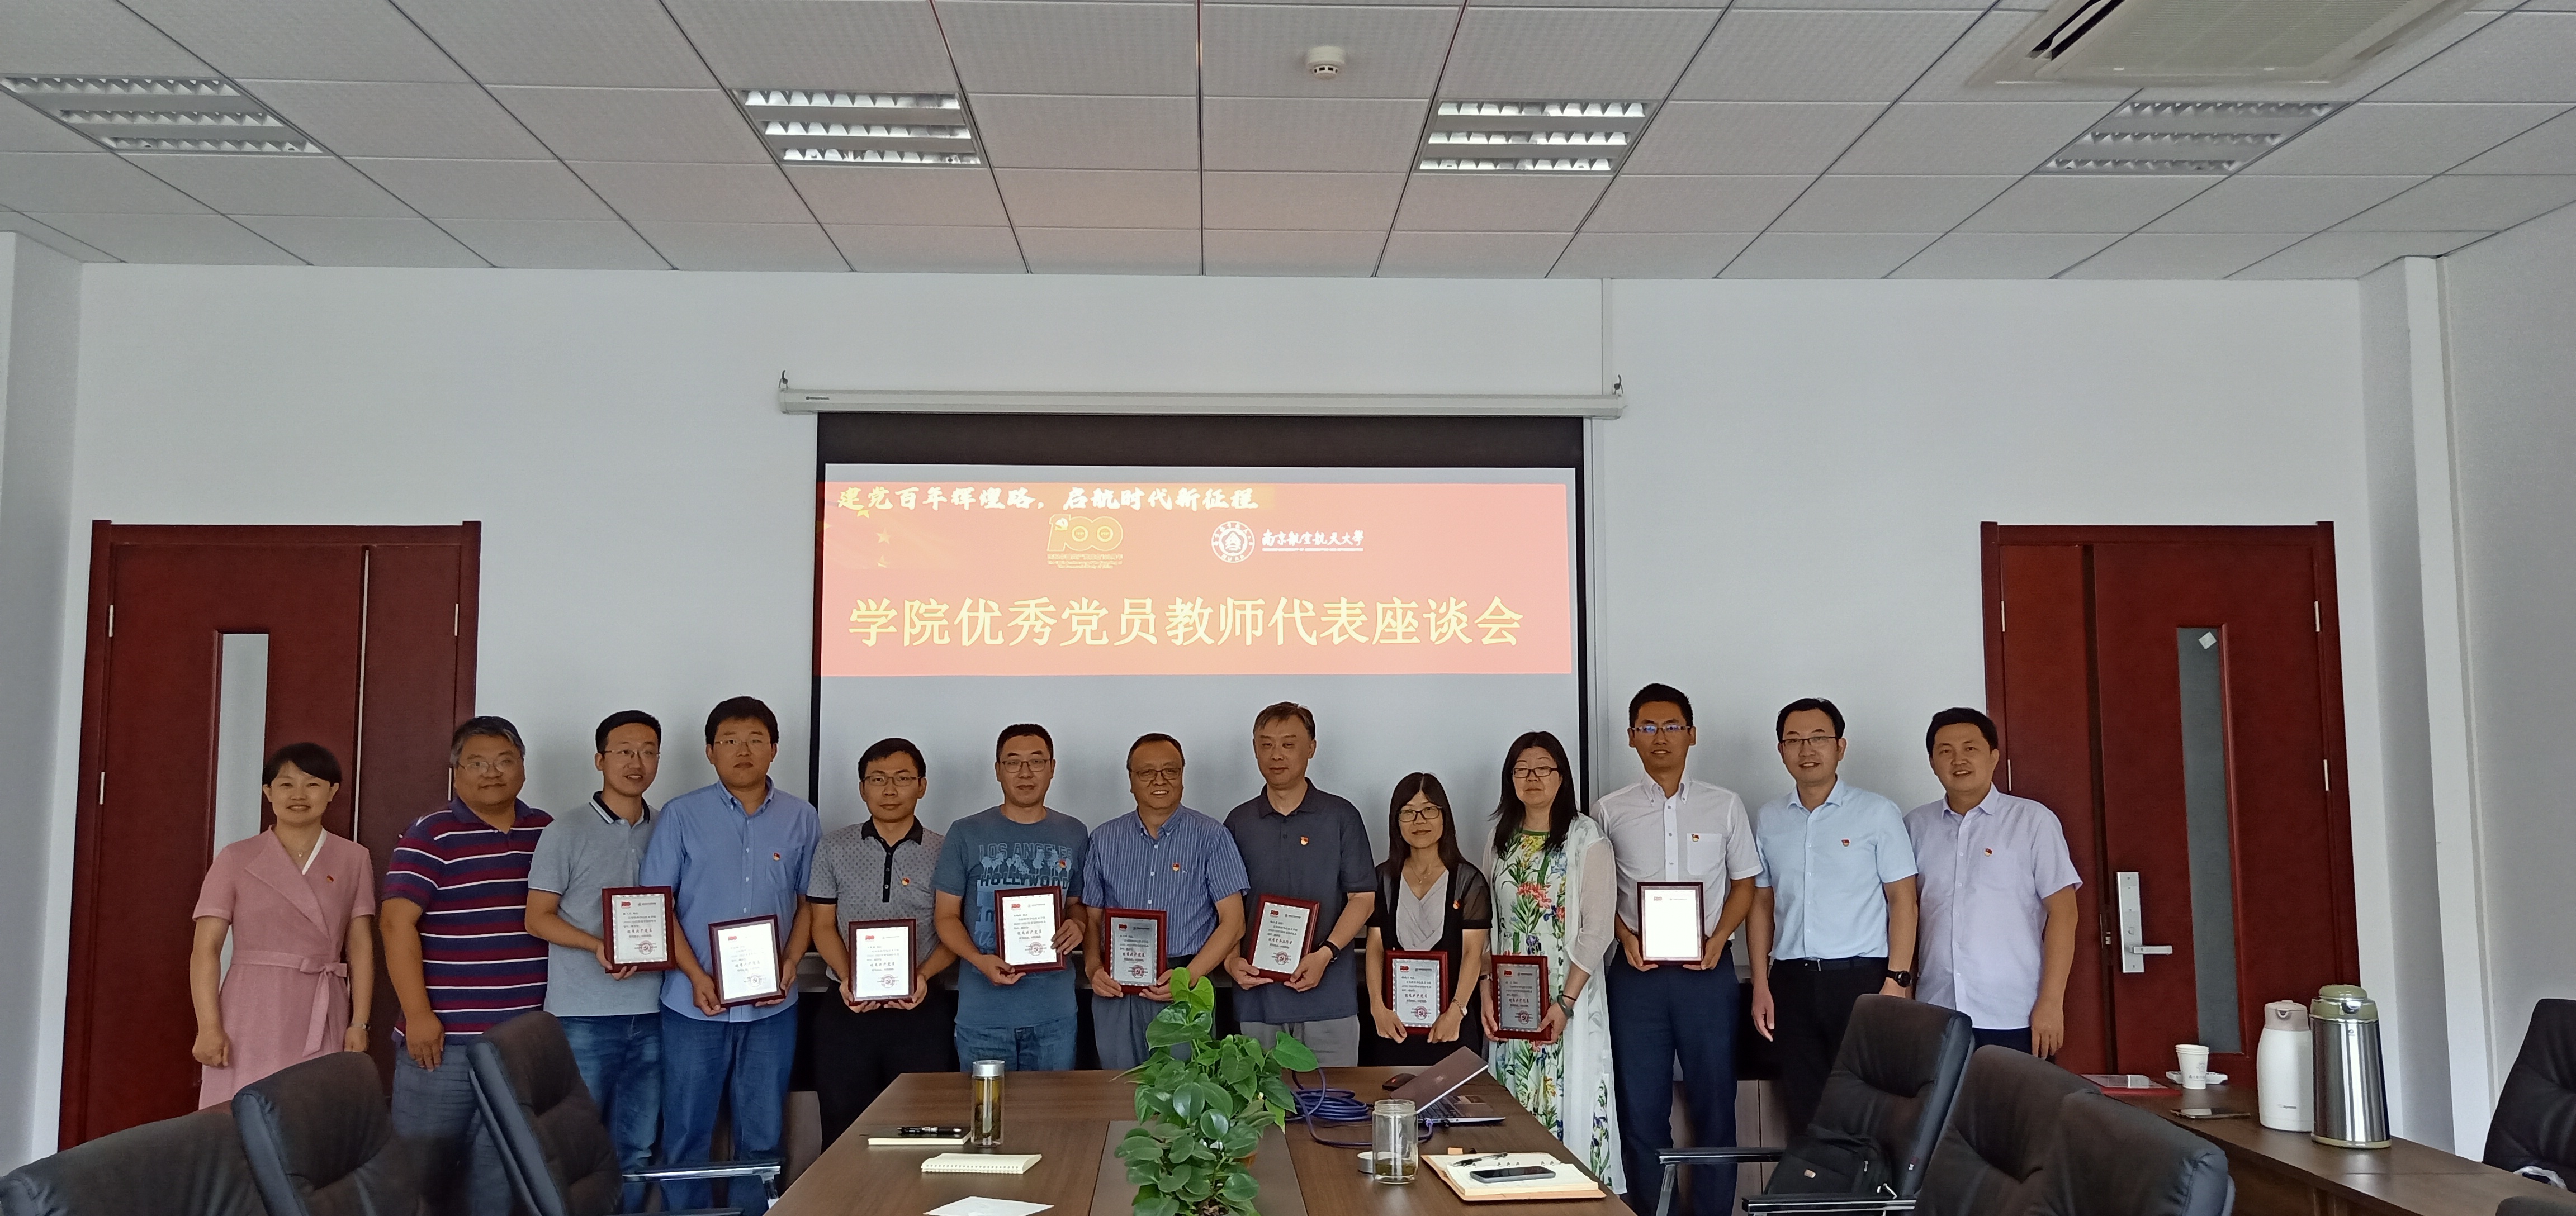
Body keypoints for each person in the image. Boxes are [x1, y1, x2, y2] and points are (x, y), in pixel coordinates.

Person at [643, 697, 819, 1215]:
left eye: (756, 740)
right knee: (686, 1131)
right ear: (710, 751)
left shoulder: (801, 817)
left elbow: (809, 903)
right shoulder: (681, 815)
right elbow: (658, 905)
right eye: (730, 741)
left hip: (773, 1007)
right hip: (692, 1003)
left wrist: (791, 962)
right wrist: (695, 975)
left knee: (762, 1135)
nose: (744, 750)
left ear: (774, 749)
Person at [1594, 685, 1760, 1216]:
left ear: (1692, 734)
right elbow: (1595, 892)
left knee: (1716, 1106)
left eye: (1671, 727)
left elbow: (1745, 884)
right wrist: (1624, 936)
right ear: (1631, 738)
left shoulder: (1724, 805)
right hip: (1636, 978)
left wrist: (1718, 939)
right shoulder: (1609, 811)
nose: (1659, 737)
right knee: (1641, 1110)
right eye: (1647, 727)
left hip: (1707, 976)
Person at [382, 716, 553, 1216]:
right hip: (444, 1044)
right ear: (456, 772)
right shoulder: (431, 834)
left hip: (520, 1043)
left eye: (504, 761)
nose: (492, 773)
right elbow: (395, 924)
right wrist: (419, 1015)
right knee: (420, 1178)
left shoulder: (546, 831)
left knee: (500, 1177)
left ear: (523, 768)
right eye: (477, 763)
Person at [1747, 697, 1920, 1136]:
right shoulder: (1769, 818)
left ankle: (1866, 1185)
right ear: (1781, 750)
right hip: (1792, 982)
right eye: (1794, 740)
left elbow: (1903, 900)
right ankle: (1815, 1182)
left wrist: (1896, 981)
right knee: (1806, 1107)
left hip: (1862, 981)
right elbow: (1761, 904)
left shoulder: (1877, 813)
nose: (1807, 749)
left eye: (1819, 738)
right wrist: (1761, 983)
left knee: (1867, 1105)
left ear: (1840, 747)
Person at [524, 710, 664, 1210]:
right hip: (582, 1017)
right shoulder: (565, 830)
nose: (636, 762)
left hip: (654, 1012)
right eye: (624, 751)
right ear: (600, 760)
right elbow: (537, 918)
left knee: (637, 1149)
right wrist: (595, 946)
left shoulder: (668, 829)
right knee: (575, 1150)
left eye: (648, 751)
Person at [190, 742, 377, 1108]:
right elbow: (206, 949)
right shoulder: (236, 857)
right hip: (250, 1006)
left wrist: (359, 1022)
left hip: (323, 1005)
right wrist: (209, 1026)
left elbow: (360, 946)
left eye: (312, 784)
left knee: (313, 1112)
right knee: (240, 1112)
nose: (299, 795)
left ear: (332, 792)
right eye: (286, 784)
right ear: (268, 792)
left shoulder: (354, 858)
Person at [1478, 732, 1621, 1191]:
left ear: (1562, 777)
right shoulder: (1500, 838)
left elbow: (1597, 928)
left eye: (1543, 768)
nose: (1532, 778)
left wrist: (1566, 1003)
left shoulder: (1586, 837)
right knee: (1513, 1112)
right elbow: (1486, 922)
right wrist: (1485, 989)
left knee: (1569, 1105)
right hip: (1511, 1007)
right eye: (1521, 770)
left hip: (1566, 1002)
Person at [1905, 707, 2081, 1057]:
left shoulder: (2033, 821)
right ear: (1932, 763)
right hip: (1935, 1010)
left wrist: (2051, 1002)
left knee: (2014, 1096)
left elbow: (2064, 914)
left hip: (2014, 1012)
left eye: (1970, 748)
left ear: (1994, 757)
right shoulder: (1915, 826)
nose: (1958, 760)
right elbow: (1906, 913)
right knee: (1937, 1096)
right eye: (1945, 751)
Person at [808, 738, 958, 1148]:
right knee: (842, 1129)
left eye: (902, 778)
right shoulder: (833, 847)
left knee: (923, 1130)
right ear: (862, 788)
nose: (889, 790)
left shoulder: (946, 850)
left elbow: (954, 930)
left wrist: (923, 976)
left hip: (922, 1007)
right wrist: (849, 978)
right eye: (877, 779)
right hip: (847, 1008)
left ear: (922, 786)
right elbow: (822, 925)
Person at [1082, 734, 1249, 1069]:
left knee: (1187, 1091)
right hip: (1117, 987)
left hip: (1186, 980)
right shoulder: (1103, 839)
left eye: (1170, 771)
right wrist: (1092, 968)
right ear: (1131, 780)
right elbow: (1092, 919)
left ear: (1183, 776)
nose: (1160, 780)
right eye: (1147, 772)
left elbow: (1234, 923)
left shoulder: (1213, 837)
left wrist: (1188, 977)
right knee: (1118, 1088)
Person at [1222, 703, 1376, 1067]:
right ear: (1255, 749)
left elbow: (1363, 899)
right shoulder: (1238, 822)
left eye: (1288, 744)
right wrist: (1230, 960)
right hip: (1258, 1000)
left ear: (1312, 748)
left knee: (1334, 1101)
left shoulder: (1341, 816)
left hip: (1329, 1000)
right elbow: (1226, 907)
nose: (1276, 755)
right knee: (1260, 1102)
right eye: (1266, 744)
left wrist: (1326, 954)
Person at [933, 723, 1091, 1071]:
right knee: (987, 1107)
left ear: (1052, 768)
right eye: (1013, 762)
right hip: (983, 1015)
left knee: (1050, 1108)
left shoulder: (1075, 832)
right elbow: (945, 916)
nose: (1025, 772)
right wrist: (978, 960)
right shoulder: (965, 832)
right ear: (998, 770)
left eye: (1037, 761)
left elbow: (1076, 904)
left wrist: (1078, 925)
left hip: (1054, 1015)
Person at [1361, 772, 1491, 1067]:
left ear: (1445, 817)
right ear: (1397, 821)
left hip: (1451, 1025)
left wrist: (1456, 1012)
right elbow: (1375, 947)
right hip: (1392, 1026)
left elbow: (1473, 953)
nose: (1419, 820)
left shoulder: (1468, 881)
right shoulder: (1383, 879)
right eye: (1408, 812)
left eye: (1430, 810)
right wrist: (1377, 1007)